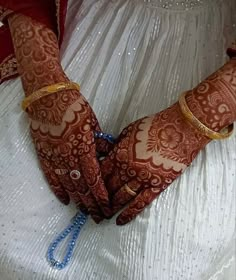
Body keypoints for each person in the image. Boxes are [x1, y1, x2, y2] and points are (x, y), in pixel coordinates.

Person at [0, 0, 235, 279]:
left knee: (155, 266)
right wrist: (44, 84)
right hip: (74, 31)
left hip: (215, 58)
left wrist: (192, 122)